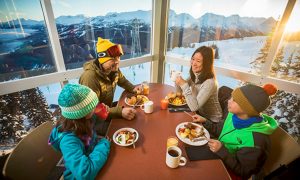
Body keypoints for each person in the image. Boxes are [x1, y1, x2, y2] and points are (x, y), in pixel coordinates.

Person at [193, 83, 278, 179]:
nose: (228, 101)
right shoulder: (233, 115)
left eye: (234, 100)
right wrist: (205, 121)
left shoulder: (256, 141)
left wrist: (221, 150)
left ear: (246, 108)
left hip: (230, 171)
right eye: (231, 97)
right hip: (219, 154)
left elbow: (243, 172)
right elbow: (220, 130)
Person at [48, 84, 111, 179]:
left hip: (93, 156)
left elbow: (94, 119)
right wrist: (103, 146)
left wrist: (104, 113)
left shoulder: (83, 120)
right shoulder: (68, 141)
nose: (95, 107)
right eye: (92, 106)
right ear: (82, 113)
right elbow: (85, 173)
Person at [79, 37, 141, 121]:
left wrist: (133, 88)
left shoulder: (112, 69)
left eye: (118, 57)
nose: (117, 61)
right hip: (94, 120)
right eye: (113, 59)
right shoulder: (90, 77)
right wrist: (120, 112)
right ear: (102, 60)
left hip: (108, 109)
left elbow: (122, 81)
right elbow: (94, 108)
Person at [175, 46, 223, 123]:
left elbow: (194, 107)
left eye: (198, 61)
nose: (193, 63)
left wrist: (183, 84)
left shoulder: (210, 82)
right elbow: (179, 93)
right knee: (173, 114)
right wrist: (176, 81)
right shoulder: (195, 75)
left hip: (212, 122)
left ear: (206, 64)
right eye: (193, 59)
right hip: (198, 114)